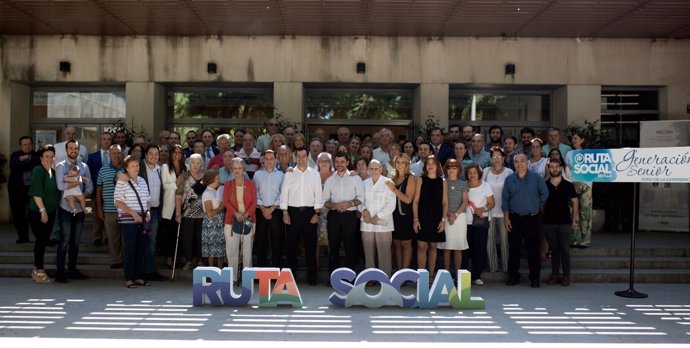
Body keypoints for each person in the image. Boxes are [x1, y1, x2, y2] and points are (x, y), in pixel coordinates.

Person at [503, 154, 549, 288]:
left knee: (533, 249)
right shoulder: (509, 180)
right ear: (514, 164)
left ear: (527, 163)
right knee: (514, 248)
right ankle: (513, 276)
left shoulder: (537, 178)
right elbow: (505, 200)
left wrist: (536, 204)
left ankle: (535, 278)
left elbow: (545, 194)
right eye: (516, 162)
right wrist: (506, 218)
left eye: (522, 161)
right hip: (514, 218)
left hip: (532, 218)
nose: (519, 164)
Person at [280, 147, 322, 286]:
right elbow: (284, 193)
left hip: (310, 213)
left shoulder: (315, 174)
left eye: (304, 156)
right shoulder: (289, 173)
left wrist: (317, 213)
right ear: (295, 157)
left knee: (311, 247)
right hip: (292, 213)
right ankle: (291, 278)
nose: (301, 158)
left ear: (308, 156)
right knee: (291, 247)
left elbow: (318, 194)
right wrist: (285, 213)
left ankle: (312, 278)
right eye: (298, 156)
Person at [55, 140, 93, 282]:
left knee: (76, 241)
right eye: (70, 148)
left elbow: (90, 186)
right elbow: (60, 186)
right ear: (66, 150)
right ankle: (60, 272)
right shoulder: (60, 166)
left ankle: (72, 269)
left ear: (79, 151)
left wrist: (85, 194)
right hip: (65, 208)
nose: (73, 150)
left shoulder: (84, 166)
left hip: (80, 209)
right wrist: (78, 182)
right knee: (65, 240)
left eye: (76, 148)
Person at [323, 151, 364, 282]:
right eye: (337, 162)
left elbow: (361, 198)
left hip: (350, 216)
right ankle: (333, 278)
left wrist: (349, 203)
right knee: (333, 247)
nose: (339, 164)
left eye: (342, 162)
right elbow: (325, 202)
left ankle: (350, 278)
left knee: (350, 246)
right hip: (334, 216)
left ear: (347, 162)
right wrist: (335, 206)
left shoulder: (355, 178)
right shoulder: (329, 180)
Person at [114, 155, 151, 289]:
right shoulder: (122, 181)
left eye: (137, 165)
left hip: (142, 219)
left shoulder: (142, 180)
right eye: (133, 166)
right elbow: (117, 201)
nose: (136, 168)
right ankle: (129, 278)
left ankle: (139, 277)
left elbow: (147, 199)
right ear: (126, 168)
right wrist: (132, 212)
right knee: (130, 250)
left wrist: (148, 212)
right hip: (128, 220)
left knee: (141, 249)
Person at [543, 158, 579, 287]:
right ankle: (555, 275)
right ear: (548, 168)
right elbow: (541, 204)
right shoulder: (545, 184)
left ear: (561, 168)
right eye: (551, 166)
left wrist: (574, 219)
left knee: (565, 249)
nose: (554, 169)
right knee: (554, 249)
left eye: (556, 166)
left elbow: (575, 202)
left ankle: (566, 275)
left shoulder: (568, 185)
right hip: (548, 222)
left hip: (565, 222)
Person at [28, 145, 60, 284]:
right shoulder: (38, 171)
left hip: (51, 212)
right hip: (39, 212)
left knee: (43, 240)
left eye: (52, 156)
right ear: (41, 157)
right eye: (46, 156)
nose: (49, 159)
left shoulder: (52, 171)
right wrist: (43, 210)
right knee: (41, 241)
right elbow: (36, 192)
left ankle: (36, 270)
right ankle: (40, 271)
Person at [412, 155, 448, 279]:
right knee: (421, 246)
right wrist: (416, 219)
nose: (430, 165)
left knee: (433, 246)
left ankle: (431, 276)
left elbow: (445, 202)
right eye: (428, 163)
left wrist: (443, 220)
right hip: (422, 217)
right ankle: (421, 276)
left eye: (433, 163)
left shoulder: (442, 181)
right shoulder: (420, 180)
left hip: (437, 218)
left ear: (437, 166)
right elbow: (415, 201)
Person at [223, 157, 257, 285]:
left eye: (239, 168)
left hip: (248, 220)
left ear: (243, 169)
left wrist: (247, 214)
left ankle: (247, 279)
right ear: (232, 169)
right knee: (232, 250)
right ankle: (233, 278)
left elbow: (254, 202)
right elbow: (226, 201)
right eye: (235, 168)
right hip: (231, 221)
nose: (237, 170)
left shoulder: (251, 184)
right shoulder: (227, 185)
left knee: (247, 251)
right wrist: (236, 213)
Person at [360, 159, 396, 276]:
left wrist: (378, 216)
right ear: (368, 170)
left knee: (384, 253)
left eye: (376, 168)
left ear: (381, 169)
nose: (374, 171)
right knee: (368, 253)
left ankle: (385, 278)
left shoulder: (388, 182)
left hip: (383, 224)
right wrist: (364, 210)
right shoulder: (364, 183)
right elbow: (359, 200)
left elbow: (391, 204)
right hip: (367, 223)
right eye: (372, 168)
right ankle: (370, 277)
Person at [482, 147, 513, 273]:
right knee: (489, 241)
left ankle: (506, 268)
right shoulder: (485, 171)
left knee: (505, 242)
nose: (496, 159)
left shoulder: (509, 172)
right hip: (489, 212)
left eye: (499, 156)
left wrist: (509, 214)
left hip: (504, 213)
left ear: (503, 158)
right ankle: (493, 267)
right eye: (494, 157)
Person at [138, 144, 166, 281]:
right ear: (145, 155)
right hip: (139, 210)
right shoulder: (138, 167)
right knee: (140, 240)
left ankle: (149, 270)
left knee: (151, 241)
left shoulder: (160, 169)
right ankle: (139, 271)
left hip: (154, 210)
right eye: (151, 153)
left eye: (156, 154)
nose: (154, 156)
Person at [463, 164, 494, 285]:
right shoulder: (464, 185)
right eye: (470, 173)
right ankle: (463, 275)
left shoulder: (486, 186)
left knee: (479, 249)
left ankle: (477, 276)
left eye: (474, 172)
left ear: (479, 173)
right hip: (465, 222)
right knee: (465, 250)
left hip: (480, 222)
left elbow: (492, 203)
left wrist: (482, 209)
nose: (472, 175)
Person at [437, 159, 468, 279]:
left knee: (458, 247)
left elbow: (465, 201)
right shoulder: (443, 182)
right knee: (447, 247)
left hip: (460, 217)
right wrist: (449, 214)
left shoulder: (463, 183)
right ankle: (446, 275)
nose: (452, 170)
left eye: (454, 167)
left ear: (458, 169)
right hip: (446, 216)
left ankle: (458, 274)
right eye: (449, 167)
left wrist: (455, 214)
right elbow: (441, 201)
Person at [253, 150, 285, 267]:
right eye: (266, 159)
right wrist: (263, 209)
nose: (269, 161)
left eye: (271, 159)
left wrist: (271, 209)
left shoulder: (281, 175)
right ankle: (261, 271)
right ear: (263, 160)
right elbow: (255, 193)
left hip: (275, 212)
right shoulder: (257, 174)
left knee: (276, 242)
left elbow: (282, 194)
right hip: (261, 211)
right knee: (261, 242)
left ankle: (276, 270)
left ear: (275, 159)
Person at [175, 154, 206, 270]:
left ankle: (200, 260)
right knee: (188, 237)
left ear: (201, 164)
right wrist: (178, 213)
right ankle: (189, 261)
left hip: (203, 213)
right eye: (193, 162)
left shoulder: (205, 177)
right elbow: (178, 196)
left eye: (198, 163)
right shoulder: (184, 177)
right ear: (189, 164)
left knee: (201, 237)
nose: (195, 165)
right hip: (188, 212)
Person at [96, 145, 125, 269]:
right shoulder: (103, 170)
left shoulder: (128, 169)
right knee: (113, 238)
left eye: (118, 153)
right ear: (109, 155)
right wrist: (99, 208)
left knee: (125, 237)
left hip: (126, 211)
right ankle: (115, 260)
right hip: (109, 210)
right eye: (113, 153)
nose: (116, 155)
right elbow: (98, 191)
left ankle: (126, 259)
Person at [387, 153, 416, 271]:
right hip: (393, 215)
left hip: (405, 215)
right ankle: (399, 272)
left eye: (403, 162)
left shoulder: (411, 178)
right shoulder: (392, 178)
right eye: (398, 162)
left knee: (406, 244)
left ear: (407, 164)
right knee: (396, 244)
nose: (400, 165)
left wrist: (393, 189)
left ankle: (405, 272)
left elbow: (408, 199)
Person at [9, 136, 40, 244]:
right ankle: (23, 237)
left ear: (32, 144)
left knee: (35, 215)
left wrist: (24, 160)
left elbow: (36, 164)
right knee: (19, 215)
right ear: (20, 146)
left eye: (29, 144)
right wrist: (24, 161)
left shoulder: (37, 155)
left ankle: (40, 237)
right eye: (25, 144)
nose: (27, 146)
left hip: (33, 190)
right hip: (18, 191)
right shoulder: (15, 155)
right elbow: (14, 166)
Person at [566, 131, 593, 248]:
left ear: (582, 140)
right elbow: (567, 169)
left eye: (576, 138)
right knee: (573, 212)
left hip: (586, 185)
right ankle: (575, 239)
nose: (573, 140)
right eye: (572, 139)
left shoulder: (589, 153)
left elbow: (593, 170)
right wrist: (569, 183)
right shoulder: (569, 153)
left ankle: (585, 240)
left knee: (585, 213)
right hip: (572, 185)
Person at [161, 144, 185, 269]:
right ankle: (169, 258)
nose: (177, 154)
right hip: (169, 205)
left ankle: (177, 257)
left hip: (182, 204)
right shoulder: (165, 167)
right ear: (170, 154)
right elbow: (165, 186)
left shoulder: (185, 167)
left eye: (179, 152)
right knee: (169, 233)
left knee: (179, 233)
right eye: (174, 152)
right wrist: (176, 183)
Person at [87, 132, 112, 246]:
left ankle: (108, 236)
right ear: (100, 141)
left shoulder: (114, 155)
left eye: (108, 139)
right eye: (104, 139)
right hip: (96, 190)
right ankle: (97, 236)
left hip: (110, 191)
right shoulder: (92, 157)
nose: (106, 141)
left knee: (108, 214)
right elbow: (88, 174)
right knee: (97, 214)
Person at [201, 169, 226, 268]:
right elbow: (209, 213)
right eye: (217, 178)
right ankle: (211, 274)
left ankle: (220, 272)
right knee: (211, 251)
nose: (219, 180)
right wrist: (221, 207)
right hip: (211, 224)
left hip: (219, 223)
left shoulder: (215, 191)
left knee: (220, 250)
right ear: (211, 180)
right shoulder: (207, 193)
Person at [316, 152, 334, 273]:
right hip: (316, 213)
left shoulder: (335, 176)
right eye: (321, 160)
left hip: (332, 213)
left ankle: (331, 271)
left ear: (330, 163)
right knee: (316, 242)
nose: (324, 163)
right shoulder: (313, 176)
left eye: (326, 160)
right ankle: (316, 269)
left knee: (332, 242)